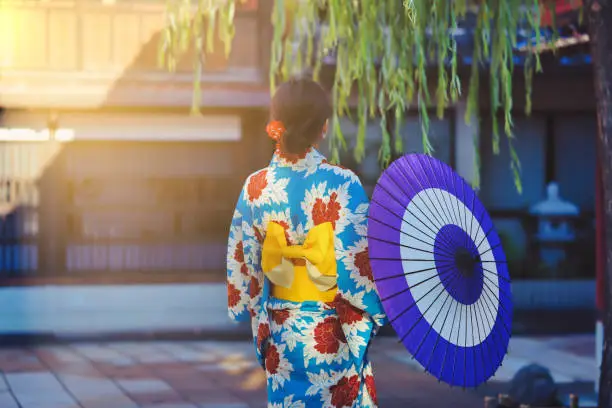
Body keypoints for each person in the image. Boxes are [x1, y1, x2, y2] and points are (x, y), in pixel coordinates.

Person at [226, 77, 387, 407]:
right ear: (324, 127)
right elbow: (360, 267)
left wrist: (254, 312)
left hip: (281, 331)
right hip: (332, 333)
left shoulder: (254, 187)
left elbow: (245, 270)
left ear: (277, 122)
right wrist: (376, 310)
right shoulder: (343, 184)